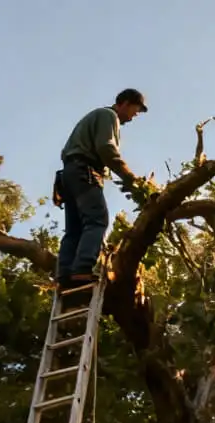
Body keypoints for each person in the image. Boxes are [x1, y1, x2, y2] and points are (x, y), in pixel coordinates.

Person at [55, 89, 150, 290]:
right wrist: (131, 179)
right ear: (124, 103)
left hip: (70, 174)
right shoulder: (109, 116)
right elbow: (106, 149)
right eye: (135, 110)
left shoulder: (94, 117)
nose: (135, 116)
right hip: (84, 172)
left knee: (75, 229)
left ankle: (64, 275)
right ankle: (81, 269)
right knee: (97, 220)